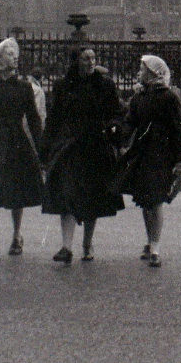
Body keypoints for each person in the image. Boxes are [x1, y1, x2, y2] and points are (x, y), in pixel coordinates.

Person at [41, 47, 126, 265]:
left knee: (92, 198)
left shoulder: (104, 85)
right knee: (67, 195)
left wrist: (114, 127)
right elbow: (54, 118)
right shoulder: (63, 85)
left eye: (93, 58)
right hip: (70, 147)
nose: (90, 62)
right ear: (76, 61)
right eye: (86, 58)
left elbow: (116, 113)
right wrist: (47, 148)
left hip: (95, 147)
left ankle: (87, 244)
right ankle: (66, 247)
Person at [0, 38, 44, 263]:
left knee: (16, 195)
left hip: (16, 143)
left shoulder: (24, 87)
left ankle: (16, 235)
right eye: (10, 54)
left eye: (15, 54)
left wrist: (42, 149)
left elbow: (33, 120)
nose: (15, 57)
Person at [116, 55, 181, 267]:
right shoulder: (140, 97)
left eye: (142, 69)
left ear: (153, 73)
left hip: (161, 155)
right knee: (146, 201)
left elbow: (178, 130)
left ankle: (155, 247)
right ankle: (150, 242)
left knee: (155, 200)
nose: (139, 72)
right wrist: (121, 139)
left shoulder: (168, 97)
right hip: (143, 153)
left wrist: (180, 160)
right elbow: (131, 122)